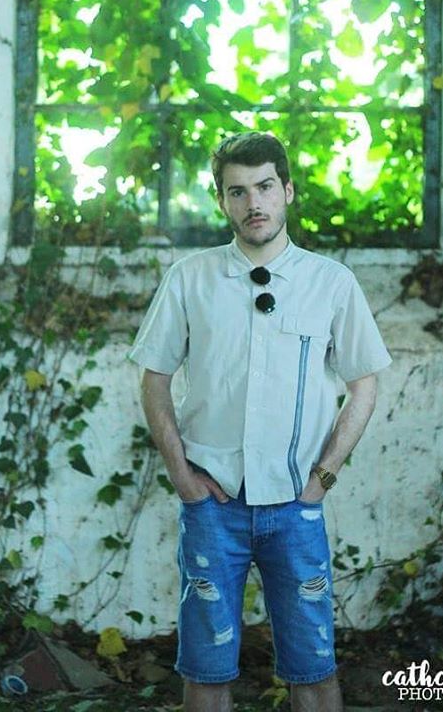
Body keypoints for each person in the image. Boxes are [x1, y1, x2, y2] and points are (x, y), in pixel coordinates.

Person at [129, 131, 392, 712]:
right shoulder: (189, 279)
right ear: (222, 201)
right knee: (206, 672)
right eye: (238, 191)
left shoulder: (331, 283)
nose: (254, 203)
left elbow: (364, 384)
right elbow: (154, 378)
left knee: (314, 671)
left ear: (288, 191)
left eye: (266, 187)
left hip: (295, 510)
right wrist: (183, 478)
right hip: (213, 509)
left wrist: (323, 475)